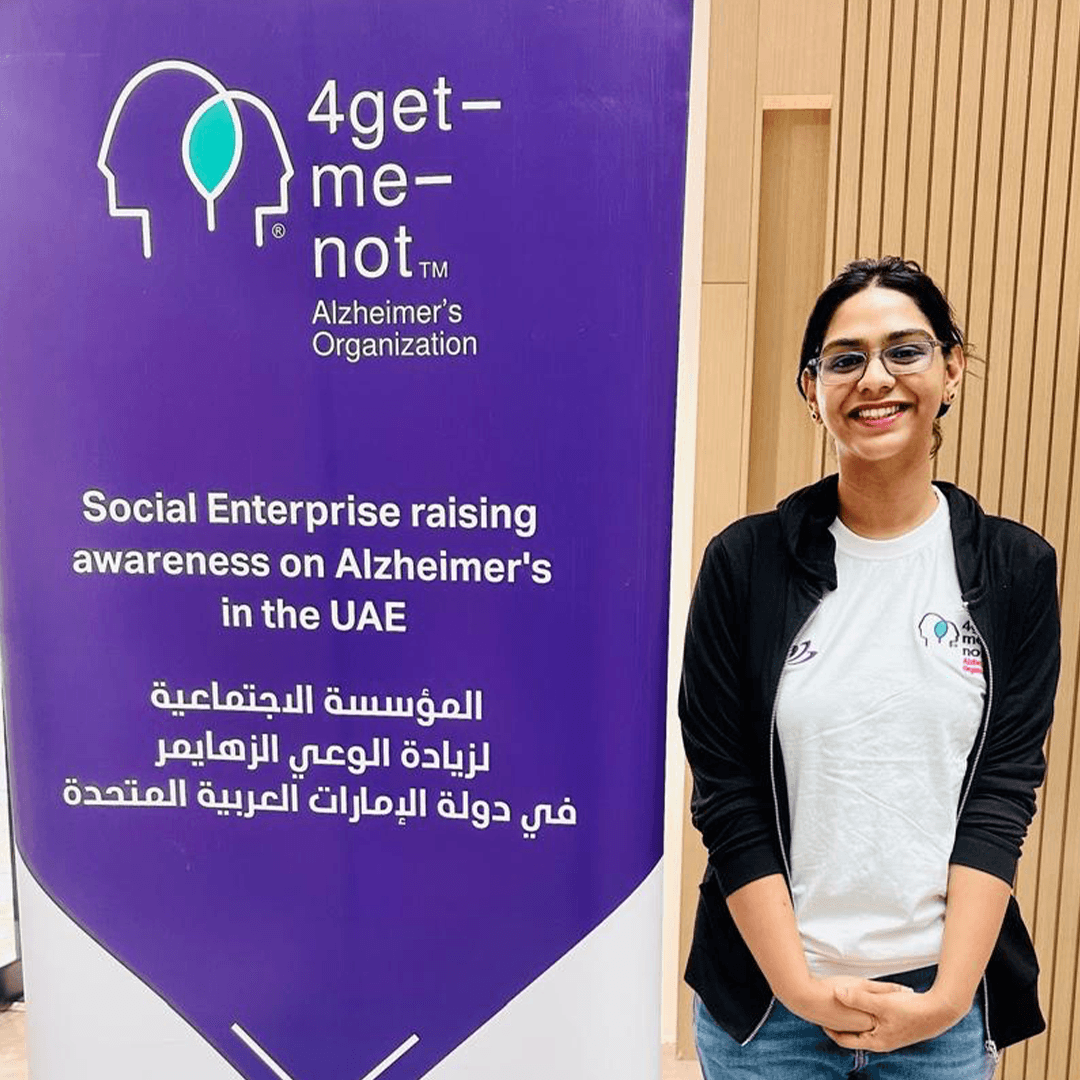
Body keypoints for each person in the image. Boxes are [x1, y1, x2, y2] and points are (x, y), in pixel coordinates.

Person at [680, 257, 1060, 1079]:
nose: (874, 379)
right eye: (844, 359)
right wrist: (804, 990)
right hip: (768, 1014)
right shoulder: (745, 565)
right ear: (811, 390)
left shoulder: (1016, 570)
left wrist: (949, 999)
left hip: (940, 1011)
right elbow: (725, 791)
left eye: (906, 351)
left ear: (952, 369)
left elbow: (1002, 791)